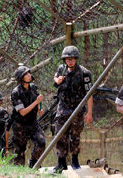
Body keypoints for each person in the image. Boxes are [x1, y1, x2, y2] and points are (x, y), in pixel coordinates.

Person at [52, 45, 93, 174]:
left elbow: (89, 93)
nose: (70, 61)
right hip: (63, 107)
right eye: (67, 59)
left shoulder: (84, 73)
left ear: (76, 59)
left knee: (75, 136)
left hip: (78, 108)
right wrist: (57, 80)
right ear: (64, 60)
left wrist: (89, 112)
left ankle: (75, 161)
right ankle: (61, 163)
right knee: (60, 135)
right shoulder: (61, 69)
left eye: (72, 59)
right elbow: (55, 79)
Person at [10, 65, 45, 167]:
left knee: (41, 142)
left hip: (33, 122)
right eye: (26, 74)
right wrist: (36, 102)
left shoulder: (33, 87)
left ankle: (33, 163)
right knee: (20, 153)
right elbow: (23, 112)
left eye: (29, 73)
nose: (29, 75)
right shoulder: (16, 92)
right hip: (20, 125)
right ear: (21, 78)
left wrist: (39, 108)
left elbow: (37, 99)